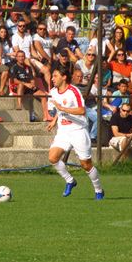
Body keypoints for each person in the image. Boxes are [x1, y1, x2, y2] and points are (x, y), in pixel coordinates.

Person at [47, 67, 105, 199]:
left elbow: (81, 111)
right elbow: (58, 109)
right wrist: (55, 120)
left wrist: (63, 109)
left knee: (86, 165)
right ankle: (70, 181)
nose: (52, 79)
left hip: (78, 130)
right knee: (52, 158)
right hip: (63, 131)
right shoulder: (53, 92)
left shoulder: (74, 91)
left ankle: (99, 190)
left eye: (55, 75)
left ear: (64, 77)